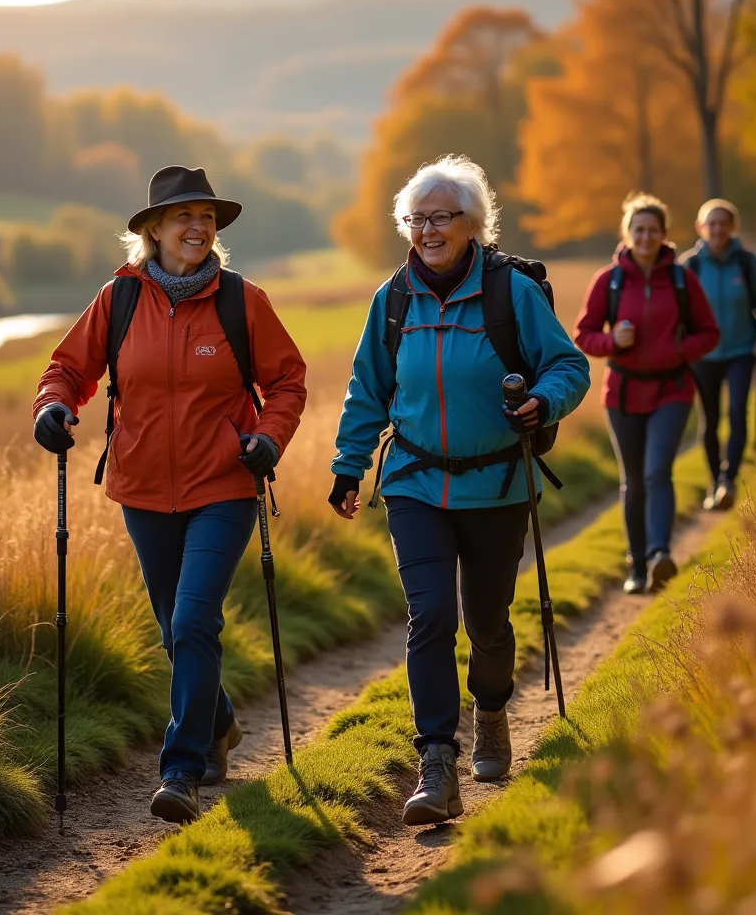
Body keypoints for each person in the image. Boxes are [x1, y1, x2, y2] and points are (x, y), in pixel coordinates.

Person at [32, 166, 307, 824]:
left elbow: (288, 382)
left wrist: (269, 438)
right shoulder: (119, 300)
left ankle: (180, 771)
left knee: (191, 619)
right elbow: (68, 369)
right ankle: (217, 724)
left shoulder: (243, 301)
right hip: (142, 488)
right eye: (183, 216)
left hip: (224, 485)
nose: (197, 227)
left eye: (207, 217)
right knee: (174, 628)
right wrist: (51, 408)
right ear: (152, 230)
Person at [328, 156, 590, 826]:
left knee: (488, 622)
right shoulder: (392, 303)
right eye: (417, 219)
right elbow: (368, 390)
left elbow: (568, 365)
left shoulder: (511, 293)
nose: (428, 230)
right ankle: (437, 763)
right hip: (416, 483)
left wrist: (543, 401)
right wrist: (348, 465)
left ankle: (493, 709)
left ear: (472, 223)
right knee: (431, 616)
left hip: (500, 484)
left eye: (442, 217)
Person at [574, 193, 719, 595]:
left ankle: (659, 555)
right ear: (627, 233)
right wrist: (612, 341)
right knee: (633, 482)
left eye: (653, 230)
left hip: (672, 389)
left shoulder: (681, 279)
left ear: (664, 235)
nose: (645, 237)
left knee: (658, 472)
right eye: (638, 229)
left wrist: (678, 350)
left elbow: (710, 333)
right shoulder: (609, 280)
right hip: (622, 393)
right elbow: (583, 334)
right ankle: (637, 566)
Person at [679, 199, 756, 511]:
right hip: (702, 356)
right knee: (709, 421)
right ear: (700, 228)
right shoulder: (689, 266)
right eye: (711, 223)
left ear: (732, 227)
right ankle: (714, 481)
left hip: (741, 351)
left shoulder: (747, 262)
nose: (717, 229)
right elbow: (677, 312)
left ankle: (729, 480)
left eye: (723, 223)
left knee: (737, 413)